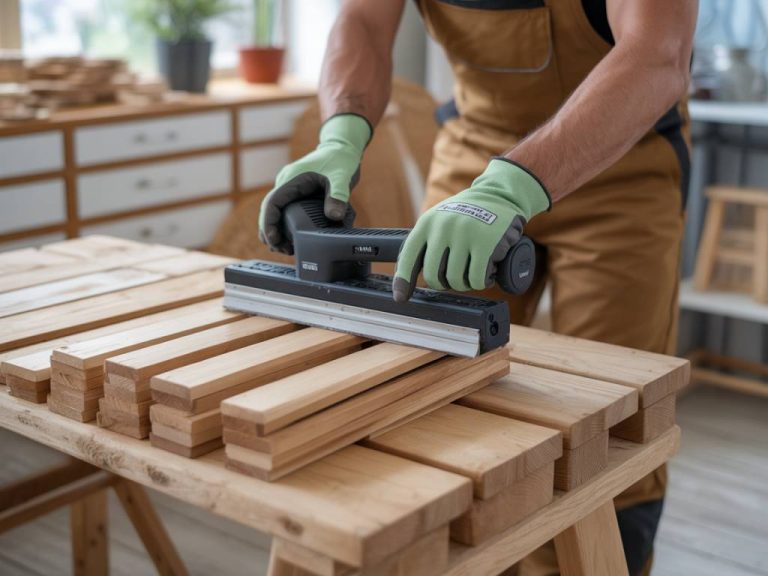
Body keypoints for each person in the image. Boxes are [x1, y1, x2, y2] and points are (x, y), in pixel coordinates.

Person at [259, 1, 697, 574]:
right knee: (431, 402)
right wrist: (340, 134)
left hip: (622, 165)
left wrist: (513, 187)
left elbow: (656, 54)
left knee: (611, 428)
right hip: (474, 165)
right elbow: (363, 20)